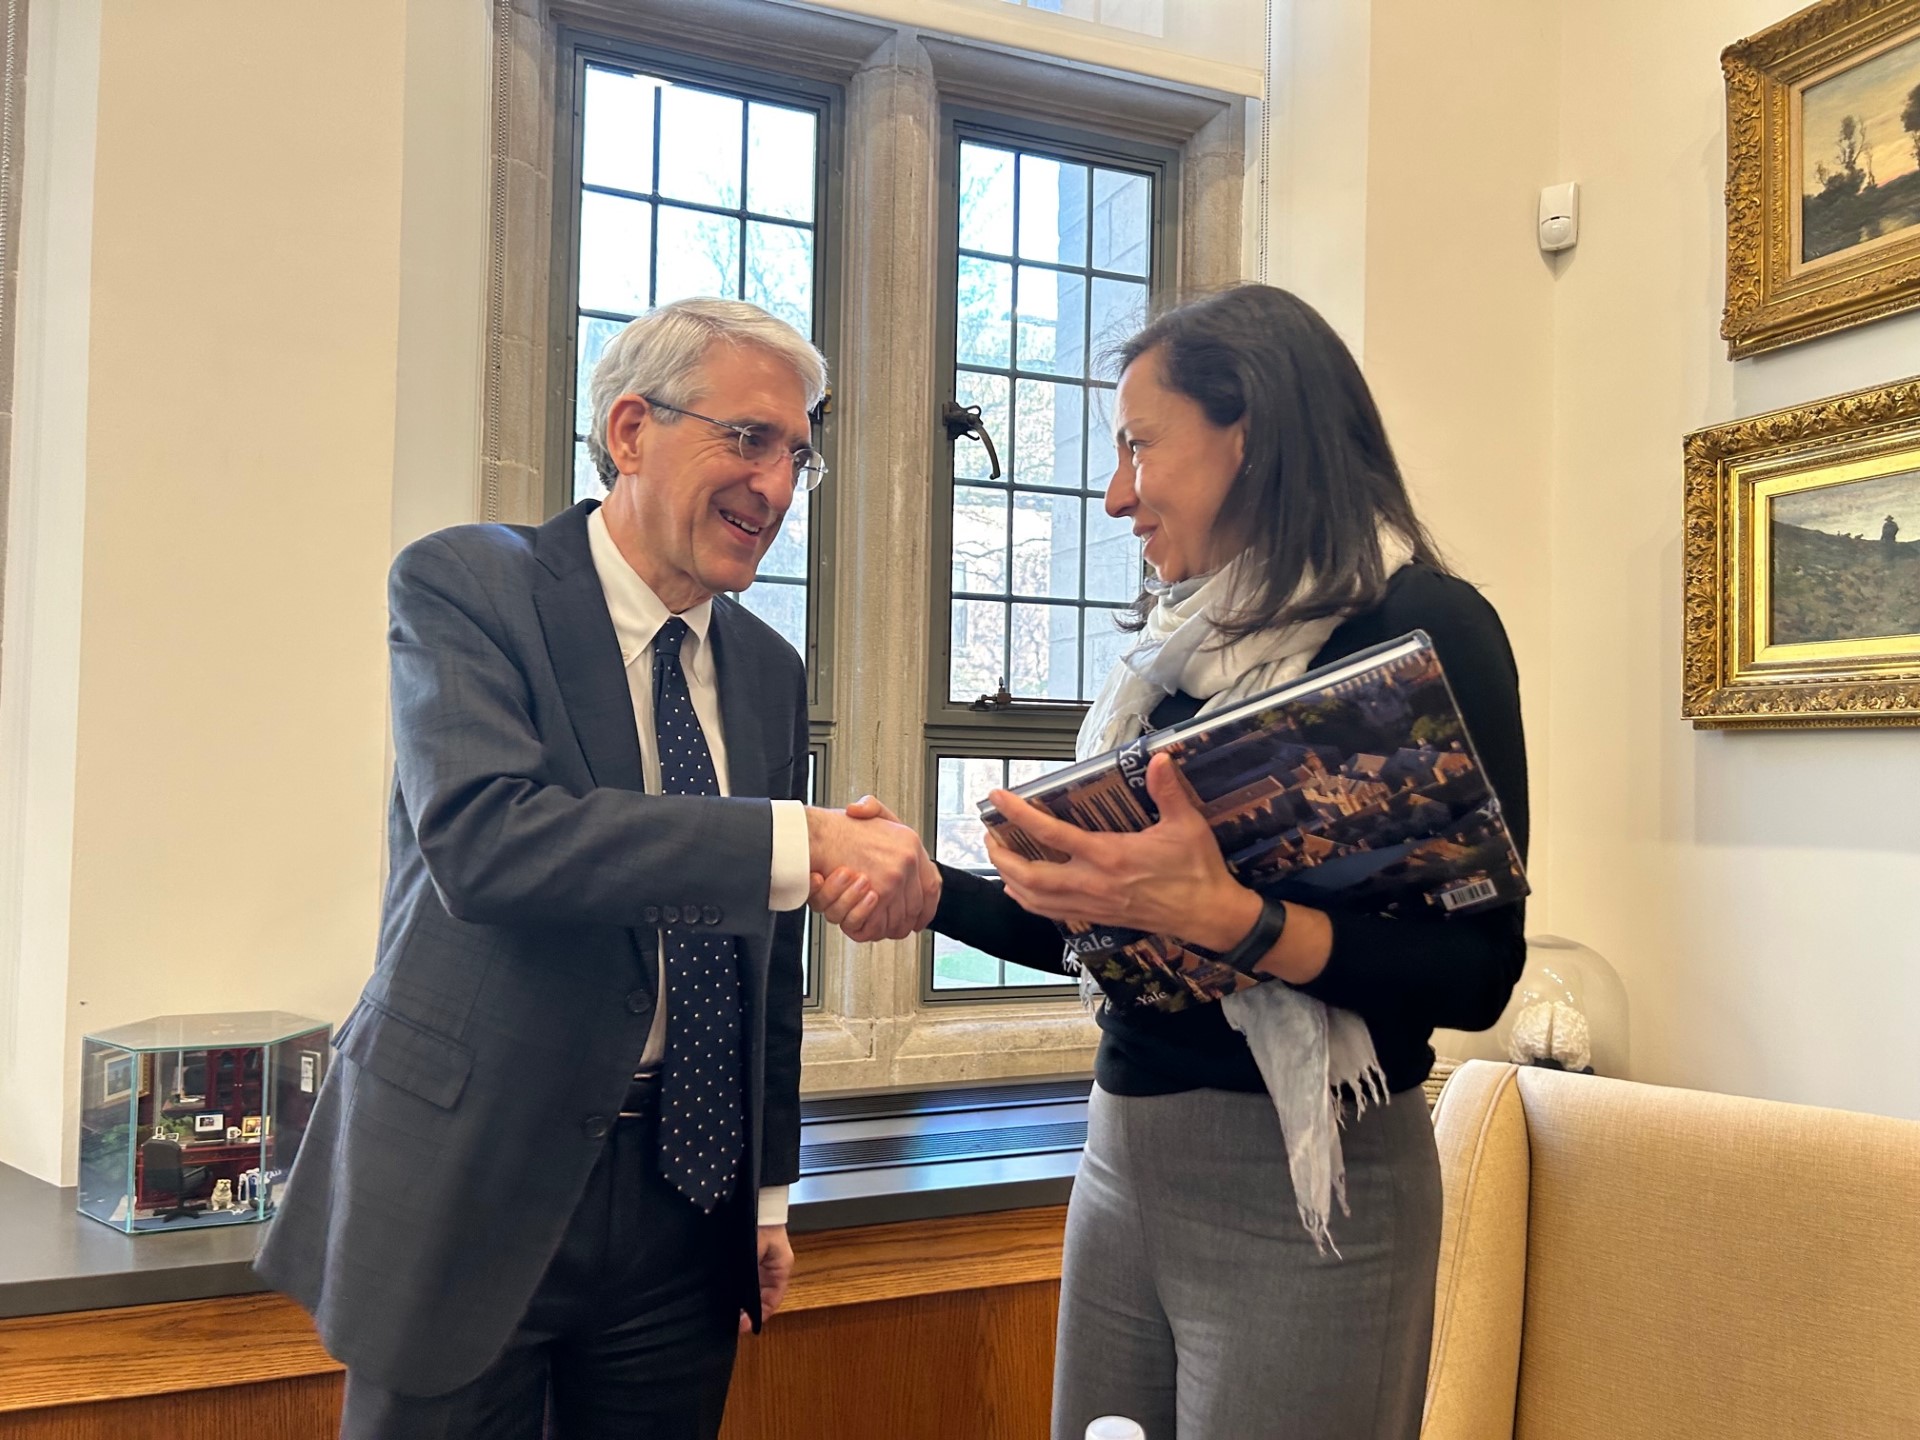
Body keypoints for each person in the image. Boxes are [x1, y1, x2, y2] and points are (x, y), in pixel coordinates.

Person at [815, 284, 1529, 1439]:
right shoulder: (1172, 665)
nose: (1114, 494)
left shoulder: (1423, 630)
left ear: (1247, 432)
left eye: (1139, 447)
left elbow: (1478, 973)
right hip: (1121, 1161)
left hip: (1314, 1192)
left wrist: (1237, 921)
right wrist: (932, 890)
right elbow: (1108, 931)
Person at [259, 298, 936, 1439]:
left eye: (799, 455)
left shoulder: (767, 669)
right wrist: (800, 837)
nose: (775, 487)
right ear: (630, 430)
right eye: (750, 438)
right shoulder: (469, 587)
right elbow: (490, 841)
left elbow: (758, 962)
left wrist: (765, 1194)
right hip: (471, 1190)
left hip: (686, 1202)